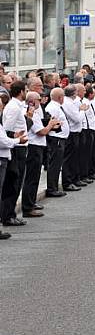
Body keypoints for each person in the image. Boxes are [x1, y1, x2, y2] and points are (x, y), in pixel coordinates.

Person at [1, 81, 30, 227]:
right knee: (14, 182)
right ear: (20, 91)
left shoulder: (18, 106)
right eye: (25, 90)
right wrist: (15, 137)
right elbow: (6, 130)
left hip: (20, 146)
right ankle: (8, 215)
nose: (27, 92)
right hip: (16, 148)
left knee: (17, 182)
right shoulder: (13, 107)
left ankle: (10, 213)